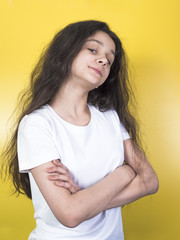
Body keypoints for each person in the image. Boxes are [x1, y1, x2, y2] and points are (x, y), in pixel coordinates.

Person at [2, 20, 159, 240]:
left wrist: (85, 200)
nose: (104, 60)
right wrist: (124, 173)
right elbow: (70, 214)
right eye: (93, 49)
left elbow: (150, 181)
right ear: (66, 52)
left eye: (109, 60)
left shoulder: (110, 118)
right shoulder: (37, 124)